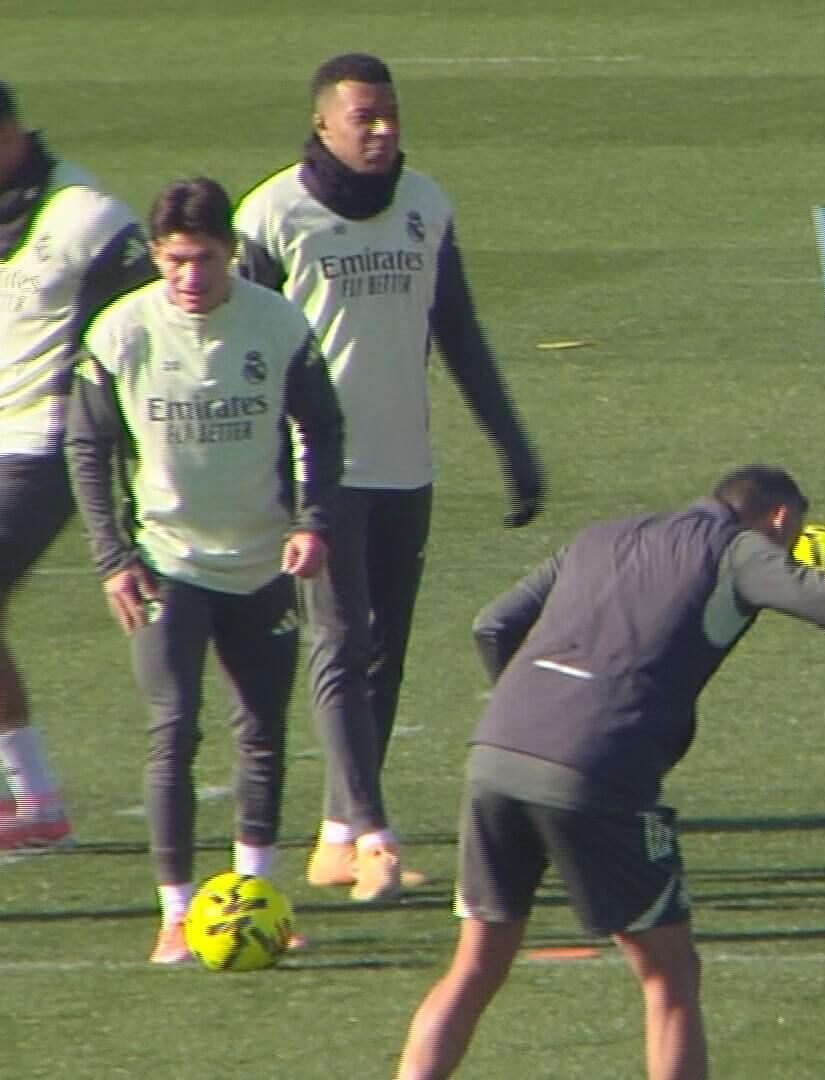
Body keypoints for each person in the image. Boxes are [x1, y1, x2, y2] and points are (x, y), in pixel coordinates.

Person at [395, 467, 825, 1080]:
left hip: (496, 753)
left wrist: (534, 710)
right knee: (670, 975)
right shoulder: (742, 552)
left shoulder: (600, 535)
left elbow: (491, 625)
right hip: (597, 771)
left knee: (477, 960)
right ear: (782, 519)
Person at [233, 52, 545, 901]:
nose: (383, 130)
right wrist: (271, 483)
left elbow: (461, 332)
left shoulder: (425, 205)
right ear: (324, 123)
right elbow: (243, 355)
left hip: (407, 465)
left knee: (384, 657)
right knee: (337, 643)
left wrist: (511, 443)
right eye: (364, 117)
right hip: (317, 474)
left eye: (392, 114)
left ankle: (337, 832)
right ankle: (374, 835)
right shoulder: (272, 214)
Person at [64, 177, 344, 962]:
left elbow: (321, 425)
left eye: (207, 260)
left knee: (261, 731)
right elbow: (86, 447)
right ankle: (177, 911)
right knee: (173, 729)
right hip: (166, 565)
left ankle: (257, 898)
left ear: (231, 254)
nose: (191, 279)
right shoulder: (121, 333)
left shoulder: (277, 323)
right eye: (177, 261)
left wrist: (313, 522)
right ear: (157, 255)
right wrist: (113, 558)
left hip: (262, 562)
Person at [0, 79, 153, 850]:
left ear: (14, 136)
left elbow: (145, 330)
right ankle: (33, 803)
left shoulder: (84, 217)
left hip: (45, 448)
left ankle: (32, 801)